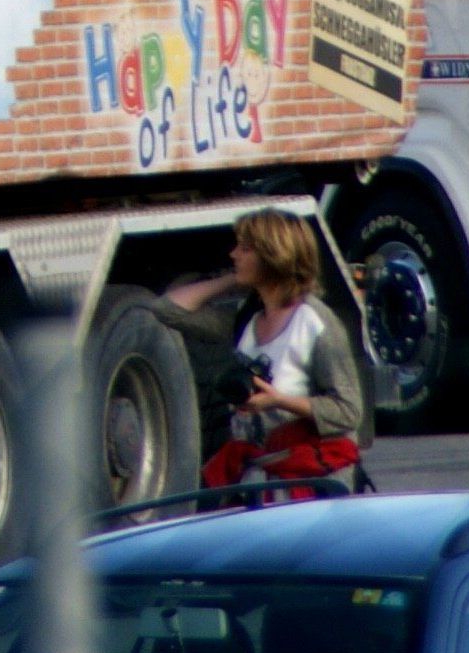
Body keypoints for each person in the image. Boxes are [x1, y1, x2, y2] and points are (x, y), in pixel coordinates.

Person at [150, 210, 365, 494]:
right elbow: (166, 309)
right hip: (258, 480)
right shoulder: (247, 318)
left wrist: (279, 401)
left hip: (310, 483)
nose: (233, 254)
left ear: (273, 255)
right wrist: (231, 279)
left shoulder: (315, 323)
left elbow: (348, 412)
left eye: (245, 248)